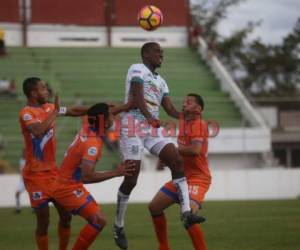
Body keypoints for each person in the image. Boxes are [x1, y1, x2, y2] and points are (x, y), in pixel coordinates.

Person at [113, 42, 205, 249]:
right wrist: (149, 118)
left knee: (175, 158)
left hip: (151, 128)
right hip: (133, 125)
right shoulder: (137, 68)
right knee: (131, 178)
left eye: (162, 52)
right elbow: (136, 96)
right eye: (157, 51)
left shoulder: (161, 81)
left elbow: (169, 107)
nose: (161, 54)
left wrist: (186, 116)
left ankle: (186, 212)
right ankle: (118, 225)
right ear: (146, 54)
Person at [53, 103, 135, 250]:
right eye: (111, 116)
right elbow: (87, 177)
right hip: (67, 188)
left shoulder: (89, 124)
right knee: (99, 220)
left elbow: (95, 112)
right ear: (105, 121)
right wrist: (116, 173)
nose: (113, 117)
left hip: (64, 182)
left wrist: (127, 105)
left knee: (66, 220)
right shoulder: (92, 144)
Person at [19, 77, 88, 250]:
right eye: (43, 88)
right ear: (33, 93)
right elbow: (38, 131)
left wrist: (98, 109)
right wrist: (56, 112)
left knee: (66, 216)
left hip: (53, 174)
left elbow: (73, 111)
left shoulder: (50, 107)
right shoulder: (26, 113)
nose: (47, 91)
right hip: (35, 176)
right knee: (44, 221)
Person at [149, 94, 213, 250]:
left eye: (189, 102)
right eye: (184, 101)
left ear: (198, 109)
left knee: (188, 216)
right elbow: (170, 109)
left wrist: (172, 153)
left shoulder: (199, 124)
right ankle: (163, 246)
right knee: (154, 207)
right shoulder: (184, 120)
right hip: (182, 177)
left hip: (198, 178)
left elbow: (195, 150)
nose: (184, 104)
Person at [15, 149, 26, 214]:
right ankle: (18, 208)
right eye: (23, 152)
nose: (24, 154)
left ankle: (36, 208)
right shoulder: (21, 160)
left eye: (25, 152)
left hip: (29, 181)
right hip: (22, 181)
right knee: (17, 193)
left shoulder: (29, 161)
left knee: (34, 195)